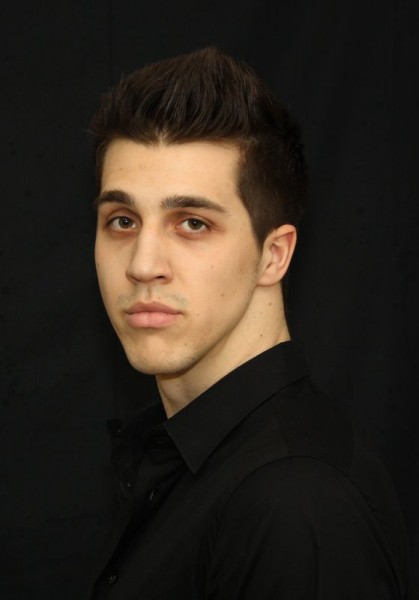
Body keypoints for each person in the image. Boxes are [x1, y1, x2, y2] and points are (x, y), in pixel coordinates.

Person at [89, 48, 407, 599]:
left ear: (273, 255)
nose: (142, 265)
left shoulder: (296, 502)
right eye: (122, 220)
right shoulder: (190, 459)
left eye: (192, 223)